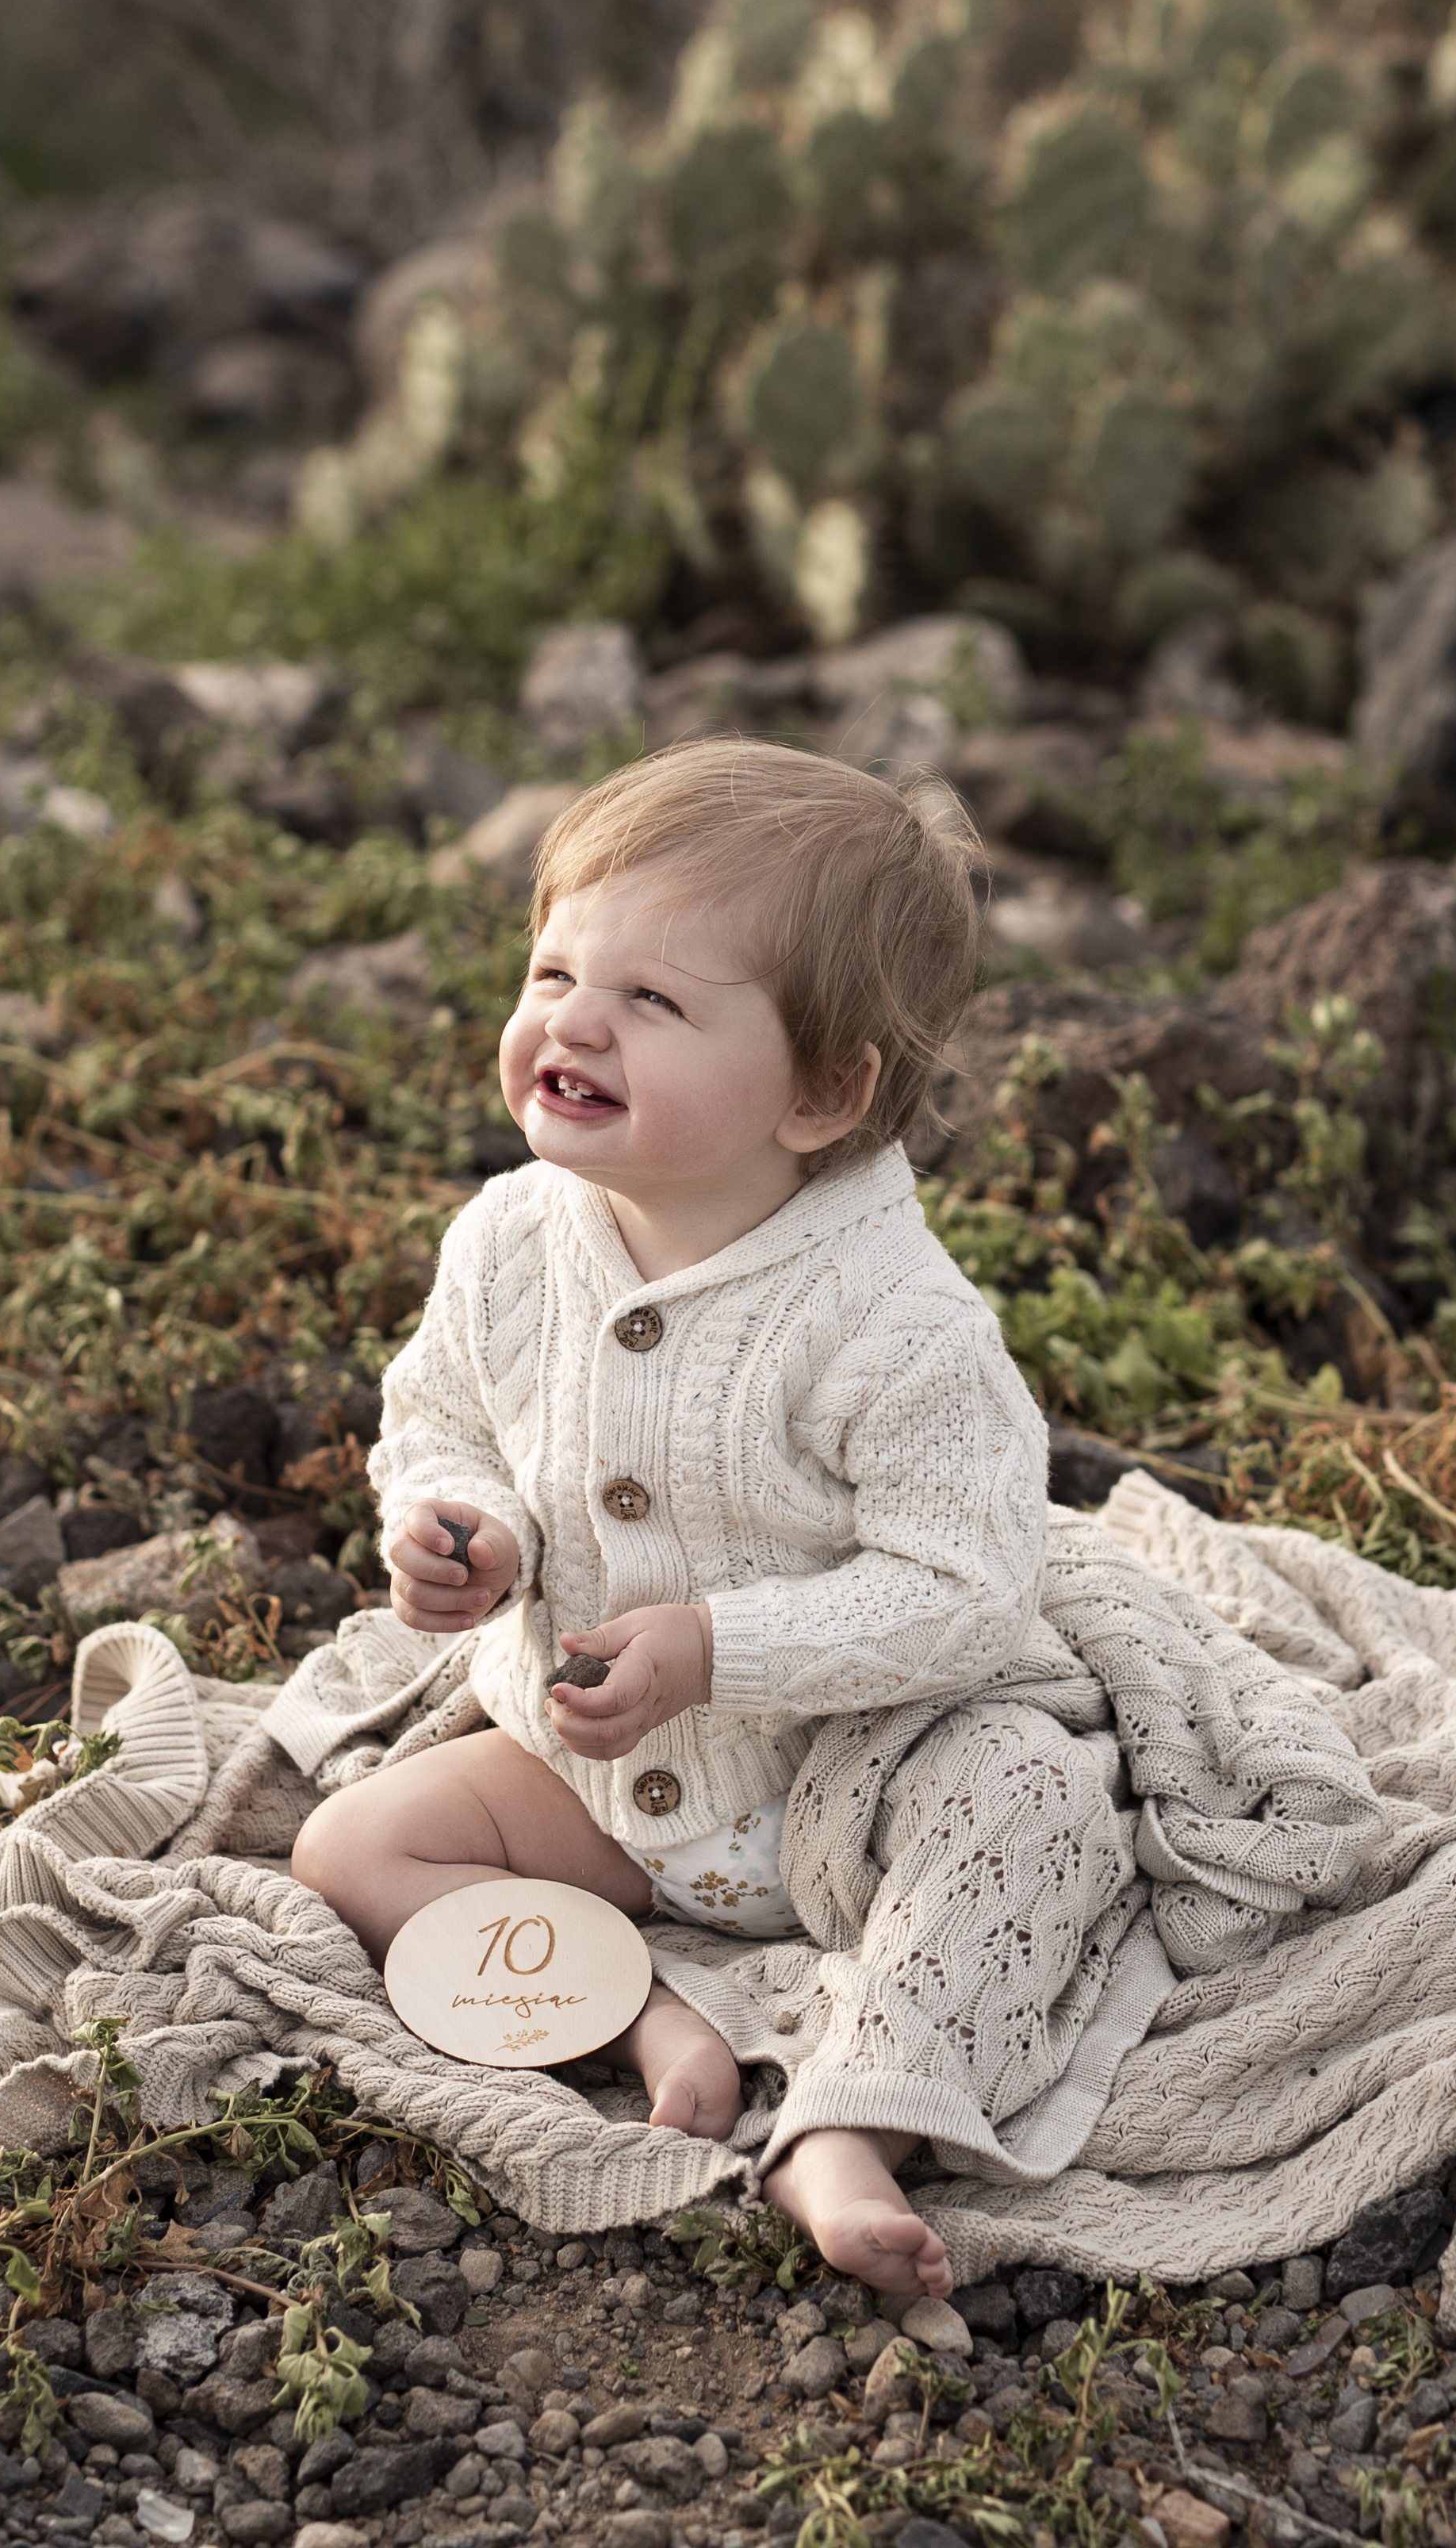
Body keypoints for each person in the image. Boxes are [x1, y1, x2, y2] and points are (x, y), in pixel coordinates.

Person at [288, 734, 1047, 2297]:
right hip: (600, 1782)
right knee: (352, 1846)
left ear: (824, 1094)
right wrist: (462, 1527)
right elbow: (439, 1418)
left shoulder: (899, 1323)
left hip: (853, 1778)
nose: (571, 1019)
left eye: (654, 1002)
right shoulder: (509, 1240)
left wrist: (720, 1646)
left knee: (1028, 1824)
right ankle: (636, 2003)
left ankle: (851, 2126)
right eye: (557, 969)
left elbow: (970, 1589)